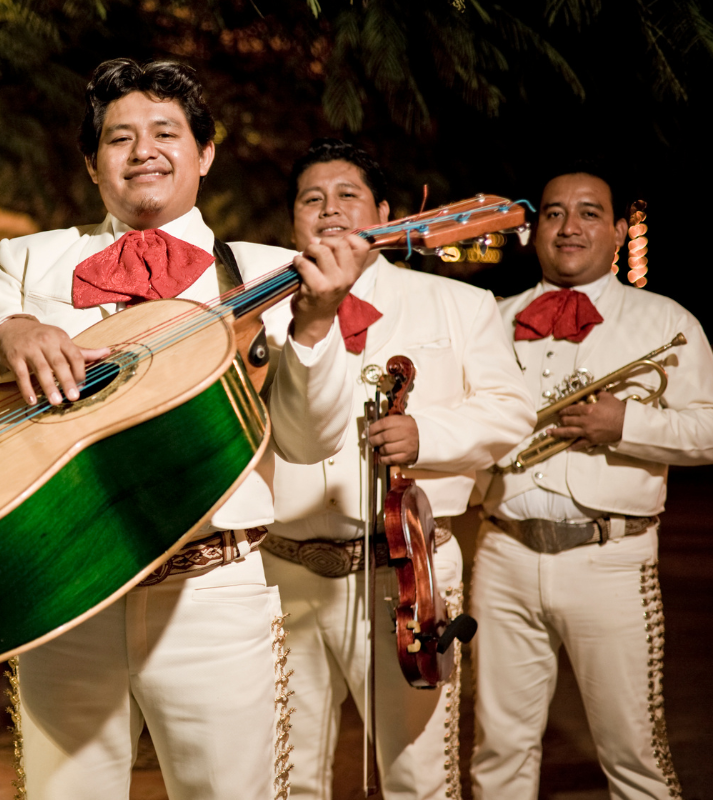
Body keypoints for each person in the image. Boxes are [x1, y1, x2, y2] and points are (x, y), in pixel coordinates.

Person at [0, 58, 367, 800]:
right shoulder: (33, 257)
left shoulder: (267, 271)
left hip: (213, 590)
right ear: (92, 162)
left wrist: (319, 323)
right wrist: (10, 331)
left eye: (167, 132)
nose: (143, 151)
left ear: (204, 154)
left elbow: (309, 439)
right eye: (118, 137)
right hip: (63, 589)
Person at [259, 139, 535, 800]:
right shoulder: (261, 311)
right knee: (285, 776)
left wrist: (427, 434)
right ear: (294, 219)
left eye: (346, 195)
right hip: (282, 571)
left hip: (405, 573)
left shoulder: (457, 305)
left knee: (419, 776)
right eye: (311, 199)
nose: (328, 211)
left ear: (383, 211)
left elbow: (512, 413)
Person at [471, 167, 713, 800]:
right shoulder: (491, 320)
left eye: (587, 212)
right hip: (502, 554)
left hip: (611, 558)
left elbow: (710, 430)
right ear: (535, 231)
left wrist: (624, 422)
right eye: (553, 213)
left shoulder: (666, 321)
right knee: (499, 748)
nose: (569, 226)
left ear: (616, 231)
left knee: (634, 752)